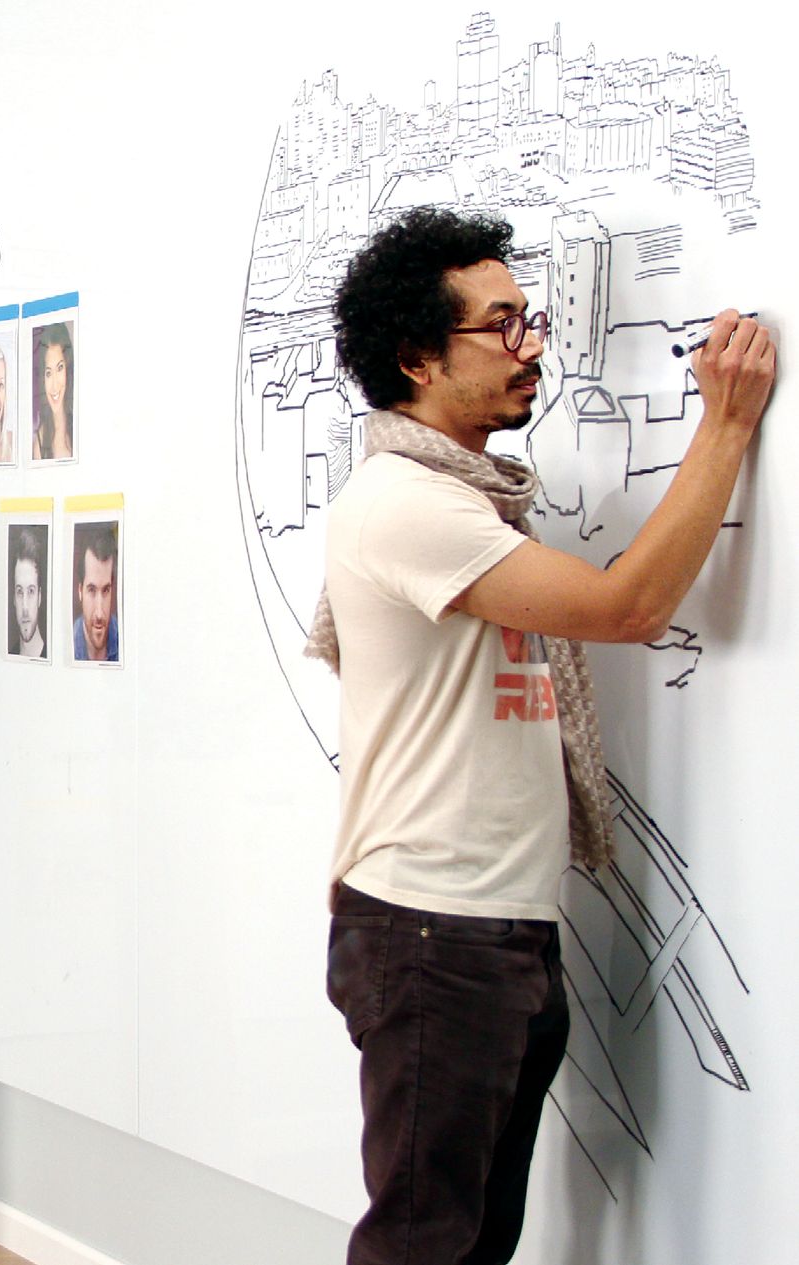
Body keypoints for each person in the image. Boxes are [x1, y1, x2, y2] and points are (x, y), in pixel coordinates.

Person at [312, 206, 774, 1265]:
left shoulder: (469, 501)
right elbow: (626, 609)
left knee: (470, 1241)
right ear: (416, 357)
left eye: (531, 319)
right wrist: (725, 428)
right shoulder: (405, 504)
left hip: (489, 922)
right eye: (501, 325)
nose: (533, 348)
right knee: (424, 1243)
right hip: (433, 928)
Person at [70, 520, 118, 662]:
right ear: (80, 591)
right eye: (91, 590)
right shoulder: (67, 644)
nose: (99, 613)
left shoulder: (126, 640)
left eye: (105, 591)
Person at [31, 321, 74, 461]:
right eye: (48, 373)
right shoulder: (39, 445)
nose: (54, 386)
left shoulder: (80, 425)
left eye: (60, 368)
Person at [7, 524, 46, 658]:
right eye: (19, 592)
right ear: (13, 598)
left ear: (39, 597)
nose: (24, 607)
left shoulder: (51, 656)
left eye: (30, 591)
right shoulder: (9, 657)